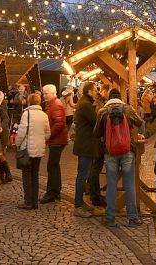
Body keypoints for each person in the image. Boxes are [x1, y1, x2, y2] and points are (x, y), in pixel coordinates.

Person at [93, 88, 143, 227]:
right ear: (121, 98)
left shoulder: (103, 111)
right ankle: (133, 218)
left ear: (109, 98)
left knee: (112, 185)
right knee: (129, 184)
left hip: (110, 152)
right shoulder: (127, 109)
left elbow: (96, 132)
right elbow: (140, 122)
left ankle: (110, 218)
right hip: (127, 151)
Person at [17, 92, 50, 210]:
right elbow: (48, 133)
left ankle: (28, 201)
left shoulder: (27, 113)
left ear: (29, 102)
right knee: (35, 174)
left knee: (26, 175)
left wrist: (17, 144)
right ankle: (35, 201)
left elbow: (21, 132)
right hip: (39, 149)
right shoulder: (44, 115)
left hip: (28, 149)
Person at [72, 81, 99, 217]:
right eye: (95, 90)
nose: (97, 92)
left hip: (85, 144)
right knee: (82, 175)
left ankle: (81, 203)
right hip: (85, 145)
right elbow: (97, 122)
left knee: (83, 174)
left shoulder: (85, 103)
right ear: (89, 92)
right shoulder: (86, 105)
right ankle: (78, 205)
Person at [40, 84, 67, 203]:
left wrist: (48, 135)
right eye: (43, 93)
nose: (44, 95)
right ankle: (55, 192)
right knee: (54, 166)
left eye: (46, 93)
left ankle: (52, 192)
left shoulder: (56, 105)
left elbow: (59, 124)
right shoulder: (53, 104)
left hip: (57, 140)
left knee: (52, 166)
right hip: (56, 140)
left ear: (53, 93)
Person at [0, 91, 13, 184]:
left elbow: (6, 119)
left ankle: (7, 174)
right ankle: (3, 175)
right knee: (0, 154)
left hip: (2, 134)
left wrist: (1, 127)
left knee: (0, 154)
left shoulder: (2, 107)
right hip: (0, 133)